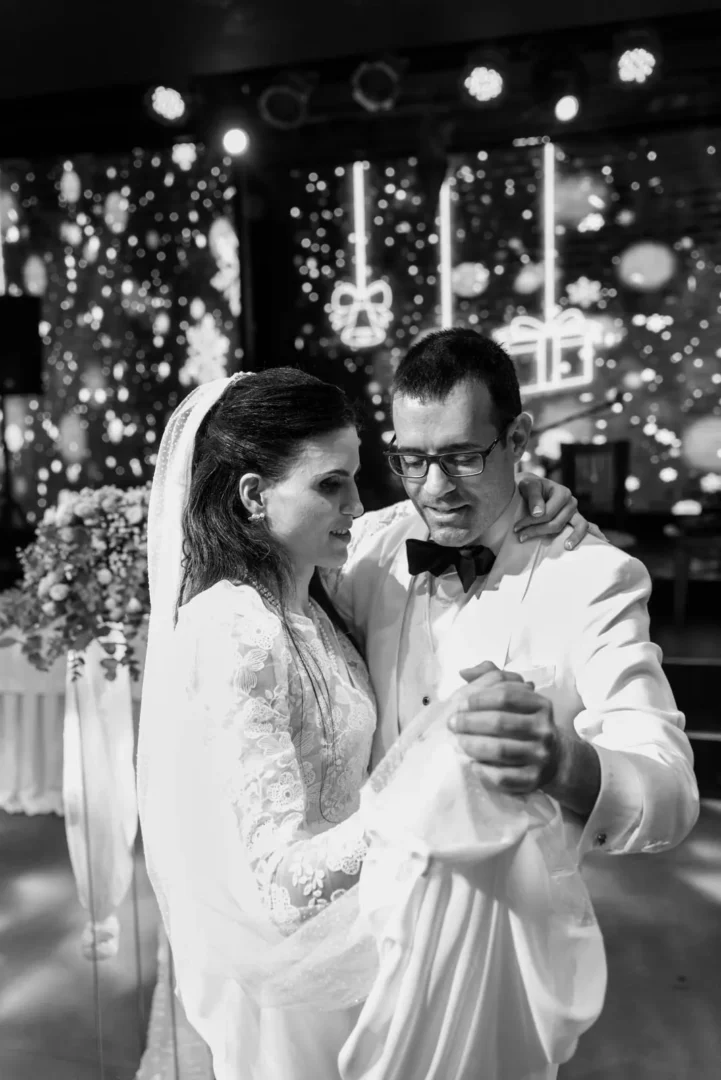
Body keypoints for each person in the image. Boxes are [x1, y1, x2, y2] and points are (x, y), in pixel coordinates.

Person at [136, 366, 599, 1080]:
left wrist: (518, 498)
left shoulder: (313, 602)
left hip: (364, 950)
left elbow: (410, 523)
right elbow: (281, 889)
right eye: (330, 484)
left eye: (357, 476)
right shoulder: (234, 627)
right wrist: (430, 783)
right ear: (254, 495)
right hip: (294, 998)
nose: (359, 503)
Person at [327, 328, 700, 1080]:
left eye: (463, 456)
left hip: (495, 965)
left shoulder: (590, 576)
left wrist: (563, 762)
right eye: (412, 459)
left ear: (518, 438)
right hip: (349, 946)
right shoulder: (367, 545)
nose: (435, 487)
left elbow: (671, 790)